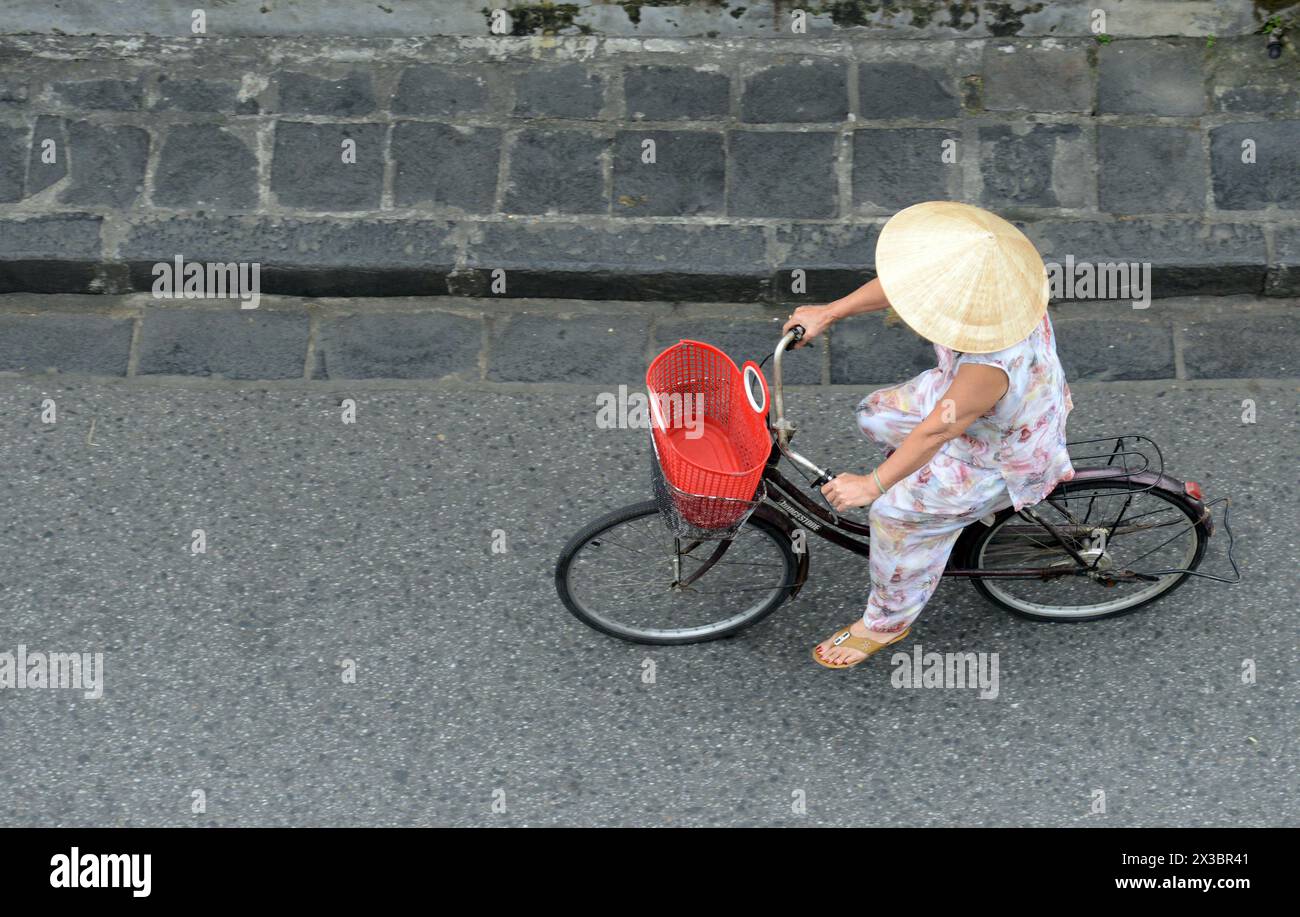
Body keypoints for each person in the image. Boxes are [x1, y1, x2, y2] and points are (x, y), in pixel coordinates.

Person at [784, 201, 1075, 670]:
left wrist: (873, 484)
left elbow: (941, 428)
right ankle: (935, 511)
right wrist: (829, 312)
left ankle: (886, 622)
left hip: (994, 449)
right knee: (875, 414)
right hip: (964, 404)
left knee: (892, 515)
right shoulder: (1001, 285)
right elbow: (904, 287)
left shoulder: (990, 361)